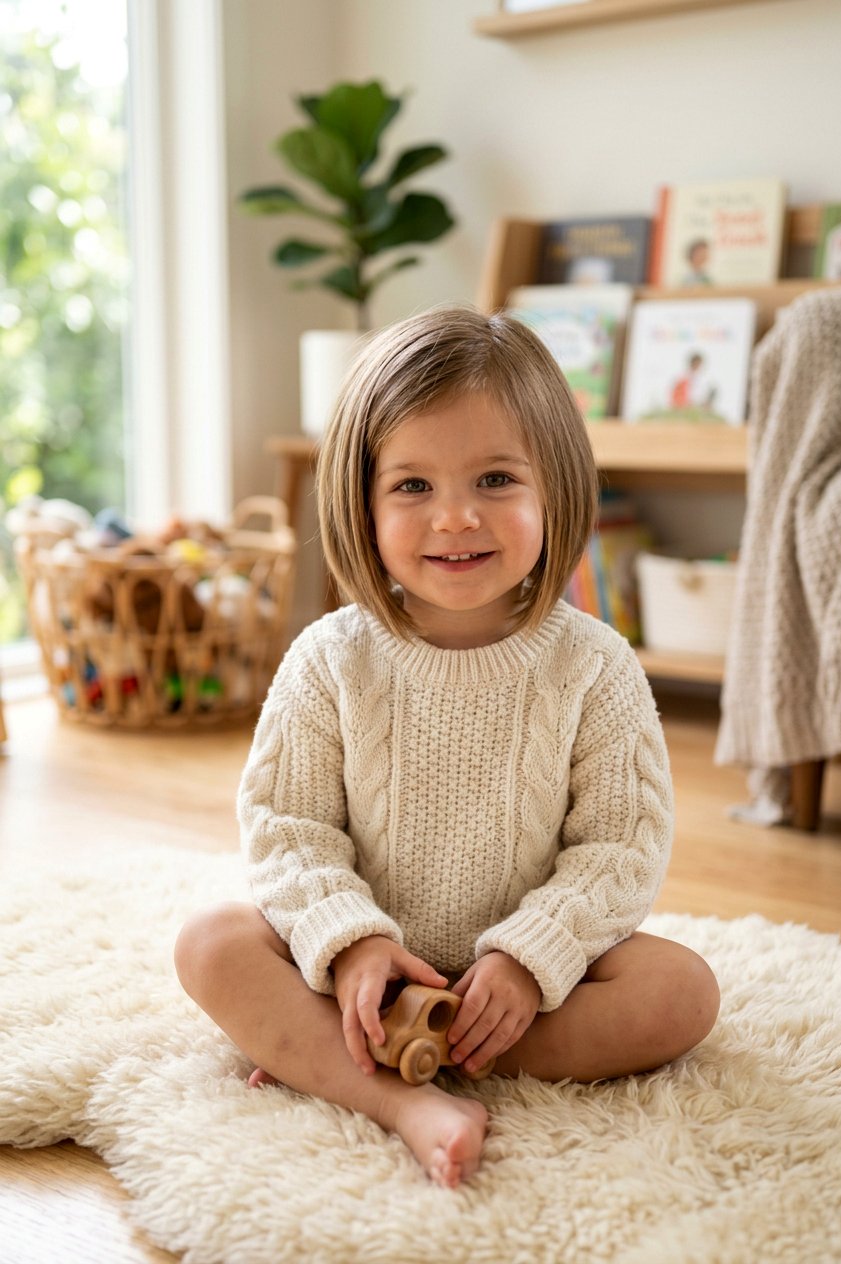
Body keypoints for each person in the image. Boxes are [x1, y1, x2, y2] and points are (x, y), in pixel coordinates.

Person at [174, 306, 720, 1190]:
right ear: (361, 501)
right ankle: (403, 1095)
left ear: (558, 489)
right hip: (358, 973)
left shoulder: (596, 665)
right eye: (413, 487)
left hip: (532, 983)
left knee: (683, 993)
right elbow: (287, 829)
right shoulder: (328, 659)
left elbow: (620, 847)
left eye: (497, 478)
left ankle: (409, 1054)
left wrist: (531, 953)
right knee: (211, 944)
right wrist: (350, 945)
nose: (456, 517)